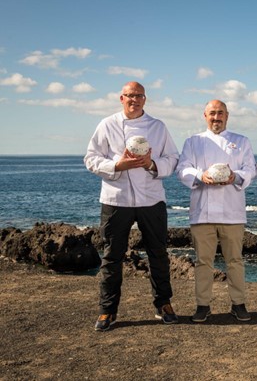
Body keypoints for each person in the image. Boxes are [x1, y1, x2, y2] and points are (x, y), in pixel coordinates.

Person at [84, 81, 180, 331]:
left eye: (138, 96)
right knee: (112, 256)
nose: (134, 100)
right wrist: (117, 165)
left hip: (151, 199)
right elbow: (91, 159)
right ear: (121, 98)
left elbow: (172, 159)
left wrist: (151, 164)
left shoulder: (158, 127)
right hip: (116, 199)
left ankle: (163, 304)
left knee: (158, 254)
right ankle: (107, 310)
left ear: (144, 99)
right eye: (129, 96)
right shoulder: (107, 124)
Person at [176, 99, 256, 323]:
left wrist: (235, 177)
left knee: (235, 261)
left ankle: (238, 304)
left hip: (233, 212)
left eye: (220, 113)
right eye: (212, 113)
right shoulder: (193, 141)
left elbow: (251, 170)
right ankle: (203, 305)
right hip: (202, 212)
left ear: (227, 116)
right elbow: (182, 169)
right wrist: (200, 175)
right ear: (205, 116)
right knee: (203, 261)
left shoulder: (241, 141)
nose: (216, 117)